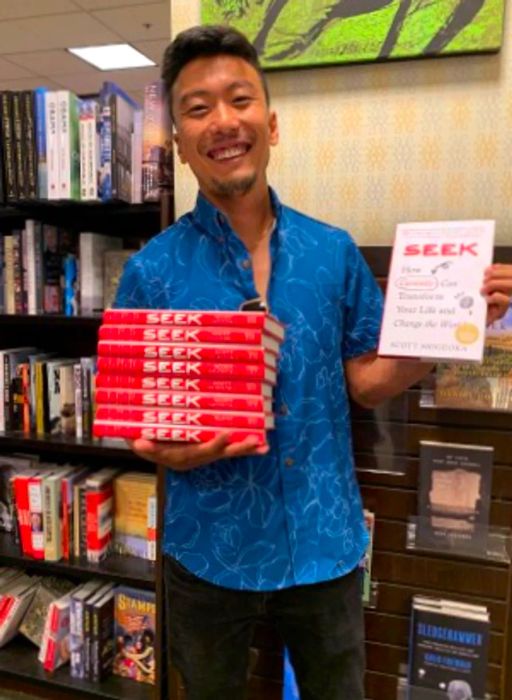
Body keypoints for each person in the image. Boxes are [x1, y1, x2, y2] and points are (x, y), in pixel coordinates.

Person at [114, 24, 512, 700]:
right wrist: (162, 453)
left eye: (238, 100)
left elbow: (366, 382)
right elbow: (140, 419)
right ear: (180, 144)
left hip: (325, 546)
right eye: (198, 108)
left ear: (270, 124)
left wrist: (451, 325)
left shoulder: (333, 252)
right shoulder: (150, 272)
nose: (222, 121)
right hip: (209, 550)